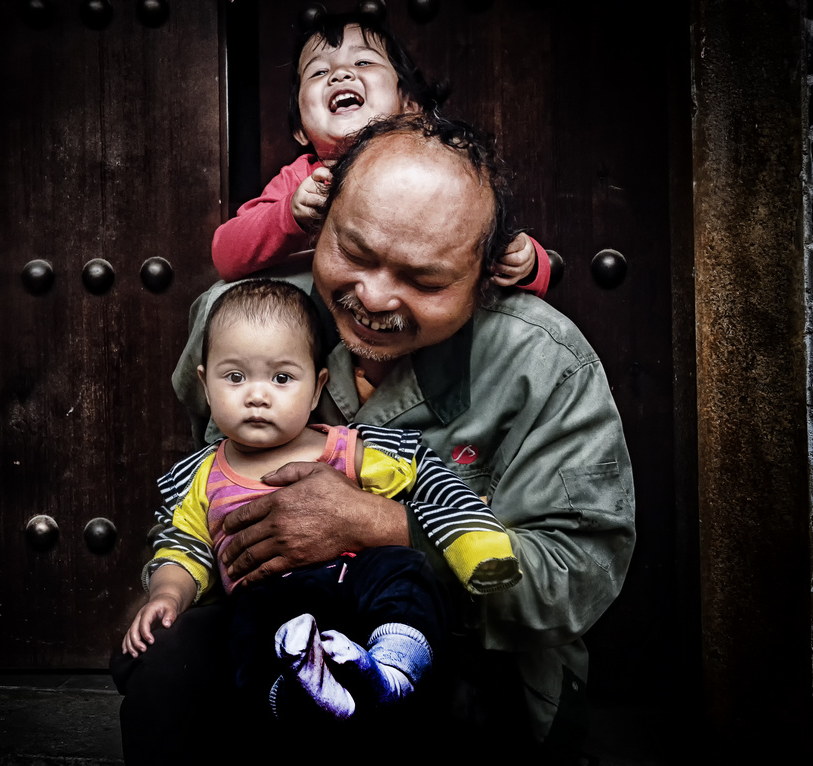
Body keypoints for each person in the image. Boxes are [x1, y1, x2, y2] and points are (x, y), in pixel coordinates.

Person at [114, 111, 635, 765]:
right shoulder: (241, 318)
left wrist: (386, 528)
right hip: (282, 631)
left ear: (487, 270)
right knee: (165, 669)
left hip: (467, 656)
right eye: (354, 255)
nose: (376, 297)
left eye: (424, 280)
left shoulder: (543, 360)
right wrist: (173, 585)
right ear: (322, 219)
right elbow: (206, 498)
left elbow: (575, 577)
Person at [121, 278, 520, 726]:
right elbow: (184, 548)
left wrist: (473, 536)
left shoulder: (346, 450)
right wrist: (167, 594)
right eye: (235, 377)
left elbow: (428, 481)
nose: (257, 395)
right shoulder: (201, 478)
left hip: (357, 588)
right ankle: (297, 695)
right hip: (272, 603)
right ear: (205, 385)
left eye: (282, 378)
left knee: (404, 571)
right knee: (248, 627)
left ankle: (390, 670)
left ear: (316, 388)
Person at [211, 9, 551, 298]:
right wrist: (290, 215)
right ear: (301, 130)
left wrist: (527, 261)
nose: (340, 74)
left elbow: (487, 237)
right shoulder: (303, 179)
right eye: (318, 71)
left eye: (362, 61)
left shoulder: (435, 170)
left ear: (410, 106)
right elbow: (225, 254)